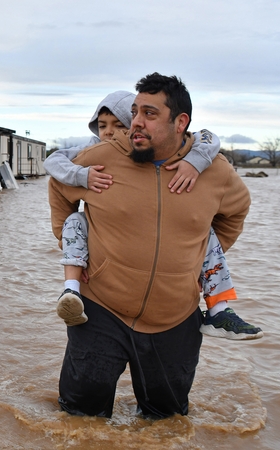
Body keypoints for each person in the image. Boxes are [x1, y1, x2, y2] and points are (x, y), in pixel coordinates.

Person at [48, 73, 252, 418]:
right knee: (79, 420)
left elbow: (236, 211)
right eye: (135, 111)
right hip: (100, 311)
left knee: (166, 421)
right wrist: (78, 251)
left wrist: (192, 261)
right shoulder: (103, 158)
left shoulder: (214, 171)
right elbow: (58, 187)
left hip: (175, 318)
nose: (136, 123)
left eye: (150, 114)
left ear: (180, 122)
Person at [45, 91, 262, 340]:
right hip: (102, 306)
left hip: (176, 315)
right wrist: (81, 178)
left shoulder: (203, 161)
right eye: (102, 126)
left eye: (118, 125)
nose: (109, 132)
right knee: (88, 379)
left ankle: (218, 310)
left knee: (206, 233)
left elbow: (209, 140)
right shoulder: (95, 156)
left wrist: (193, 260)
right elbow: (56, 169)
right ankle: (70, 289)